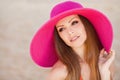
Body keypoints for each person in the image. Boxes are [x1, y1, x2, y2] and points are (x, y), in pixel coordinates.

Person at [30, 1, 115, 80]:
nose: (70, 32)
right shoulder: (59, 72)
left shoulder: (104, 62)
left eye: (74, 23)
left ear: (85, 23)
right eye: (62, 29)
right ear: (59, 36)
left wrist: (104, 74)